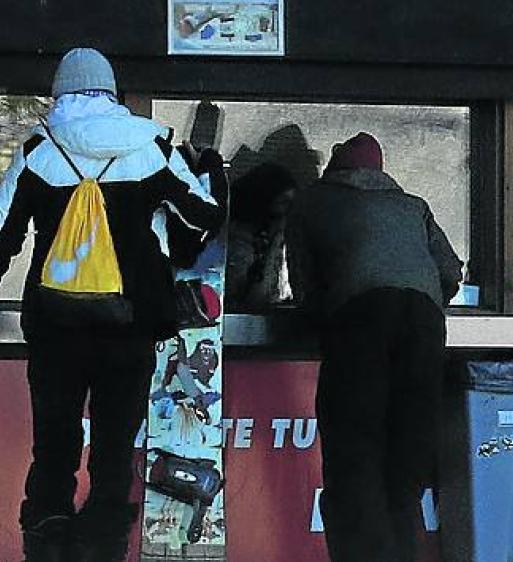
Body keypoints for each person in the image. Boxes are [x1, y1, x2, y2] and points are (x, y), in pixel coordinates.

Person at [0, 48, 225, 562]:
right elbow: (202, 215)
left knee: (53, 450)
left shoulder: (40, 151)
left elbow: (2, 233)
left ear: (60, 92)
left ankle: (48, 548)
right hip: (130, 328)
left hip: (56, 328)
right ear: (112, 92)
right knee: (113, 452)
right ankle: (100, 550)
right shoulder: (150, 147)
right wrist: (205, 171)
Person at [285, 132, 463, 562]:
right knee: (407, 459)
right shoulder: (412, 205)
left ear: (335, 169)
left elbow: (303, 283)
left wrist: (324, 318)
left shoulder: (311, 201)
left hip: (359, 321)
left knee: (355, 456)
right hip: (423, 323)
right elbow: (451, 272)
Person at [226, 162, 297, 308]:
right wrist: (275, 244)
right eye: (284, 202)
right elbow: (254, 300)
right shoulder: (239, 242)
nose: (290, 210)